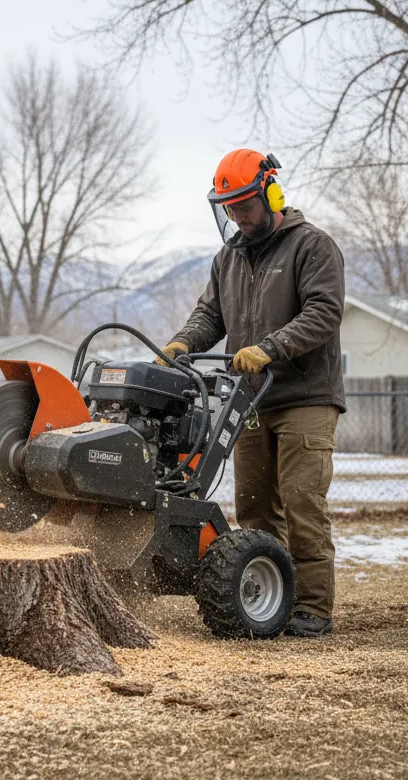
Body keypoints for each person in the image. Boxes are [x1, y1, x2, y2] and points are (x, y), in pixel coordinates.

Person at [160, 148, 345, 636]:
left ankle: (313, 608)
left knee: (303, 503)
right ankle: (270, 598)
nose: (237, 215)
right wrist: (182, 342)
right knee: (256, 508)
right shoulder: (229, 258)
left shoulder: (312, 247)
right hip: (250, 399)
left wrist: (271, 347)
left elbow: (324, 313)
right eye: (229, 207)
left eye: (244, 204)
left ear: (270, 192)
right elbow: (209, 316)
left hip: (305, 397)